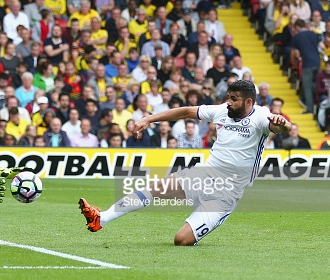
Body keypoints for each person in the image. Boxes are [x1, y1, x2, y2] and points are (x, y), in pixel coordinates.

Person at [79, 80, 291, 245]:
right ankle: (102, 218)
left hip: (226, 193)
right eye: (228, 97)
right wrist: (148, 119)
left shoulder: (262, 118)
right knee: (156, 188)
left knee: (181, 240)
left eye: (234, 99)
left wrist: (284, 125)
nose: (229, 102)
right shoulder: (221, 111)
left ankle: (213, 217)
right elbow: (186, 111)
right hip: (204, 175)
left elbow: (281, 128)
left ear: (248, 102)